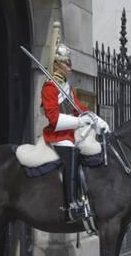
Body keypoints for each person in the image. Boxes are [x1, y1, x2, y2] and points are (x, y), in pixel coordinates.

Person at [41, 43, 109, 223]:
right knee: (72, 153)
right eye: (66, 64)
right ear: (56, 65)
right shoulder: (49, 87)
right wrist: (79, 121)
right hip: (57, 135)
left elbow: (78, 107)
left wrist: (95, 118)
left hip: (70, 132)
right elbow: (54, 119)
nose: (70, 68)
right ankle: (72, 205)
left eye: (70, 64)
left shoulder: (66, 86)